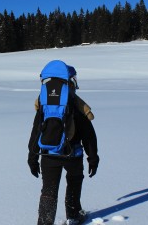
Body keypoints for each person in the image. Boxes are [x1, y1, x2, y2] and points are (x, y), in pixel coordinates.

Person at [28, 65, 99, 225]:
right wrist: (93, 158)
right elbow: (88, 135)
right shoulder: (75, 104)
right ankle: (73, 215)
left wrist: (32, 157)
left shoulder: (44, 106)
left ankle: (45, 222)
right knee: (74, 182)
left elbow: (36, 132)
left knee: (48, 190)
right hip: (72, 155)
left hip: (48, 155)